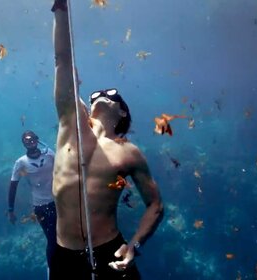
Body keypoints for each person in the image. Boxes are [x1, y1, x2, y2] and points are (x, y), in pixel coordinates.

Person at [50, 1, 164, 279]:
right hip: (63, 253)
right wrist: (60, 9)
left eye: (111, 94)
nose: (101, 94)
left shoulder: (129, 152)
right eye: (95, 93)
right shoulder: (70, 123)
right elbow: (63, 60)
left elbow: (156, 205)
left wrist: (134, 245)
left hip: (110, 251)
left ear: (122, 110)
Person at [7, 130, 57, 270]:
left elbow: (63, 170)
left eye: (32, 139)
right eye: (26, 141)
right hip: (41, 206)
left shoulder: (49, 154)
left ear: (37, 139)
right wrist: (11, 210)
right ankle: (53, 270)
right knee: (52, 240)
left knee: (65, 236)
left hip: (59, 202)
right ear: (23, 144)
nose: (30, 142)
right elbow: (13, 186)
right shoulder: (21, 162)